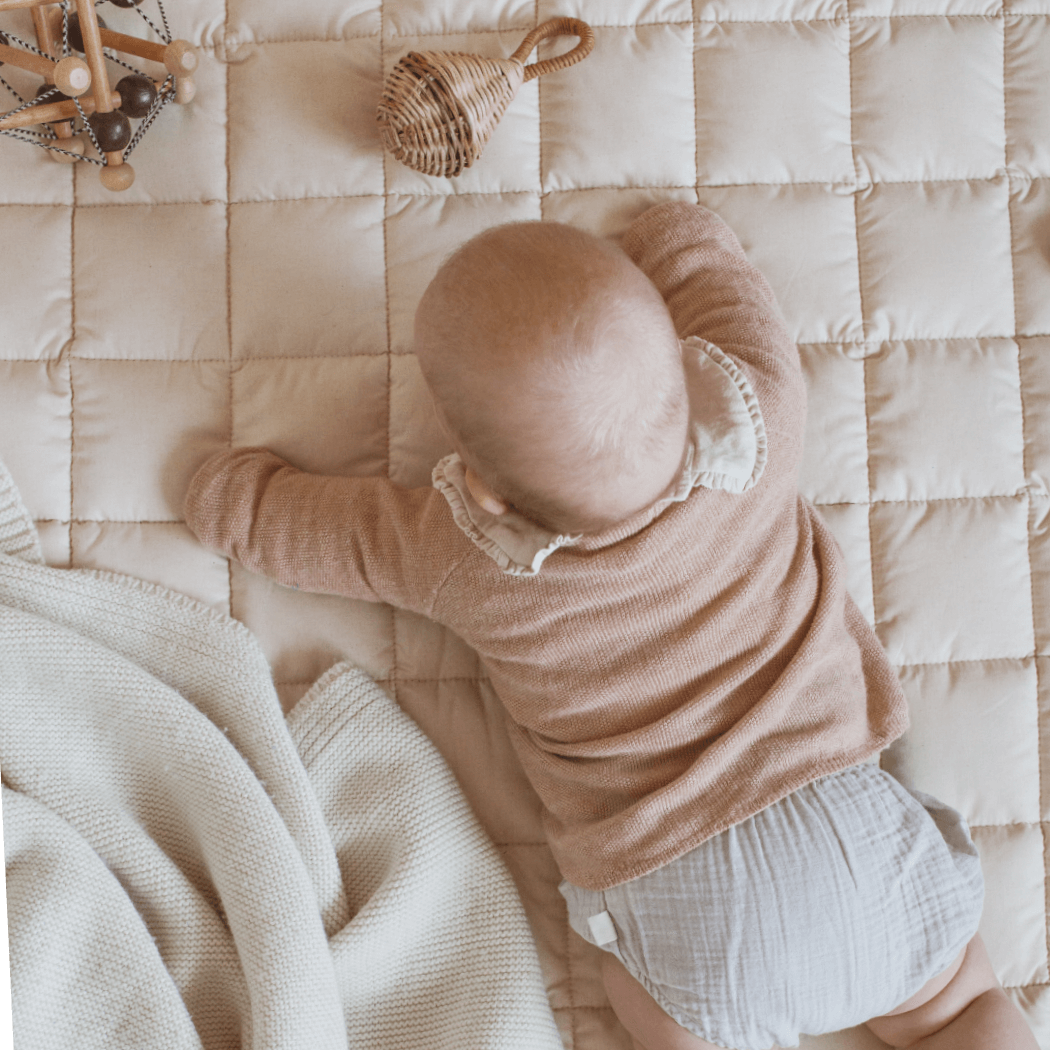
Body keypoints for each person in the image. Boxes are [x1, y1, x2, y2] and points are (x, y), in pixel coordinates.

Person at [183, 202, 1038, 1050]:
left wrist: (233, 500)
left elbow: (334, 538)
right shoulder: (764, 416)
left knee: (641, 993)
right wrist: (677, 238)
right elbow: (729, 297)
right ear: (682, 361)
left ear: (483, 491)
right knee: (959, 1007)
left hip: (682, 885)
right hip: (849, 820)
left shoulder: (471, 558)